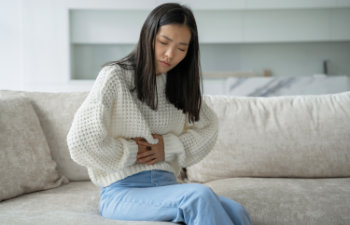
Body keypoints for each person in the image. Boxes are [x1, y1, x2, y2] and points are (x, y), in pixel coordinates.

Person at [67, 3, 251, 225]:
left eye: (182, 49)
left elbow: (208, 128)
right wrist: (133, 151)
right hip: (122, 191)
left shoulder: (179, 84)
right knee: (198, 197)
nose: (170, 54)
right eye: (164, 42)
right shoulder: (115, 76)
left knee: (237, 211)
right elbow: (80, 141)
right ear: (148, 35)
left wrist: (169, 146)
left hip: (167, 186)